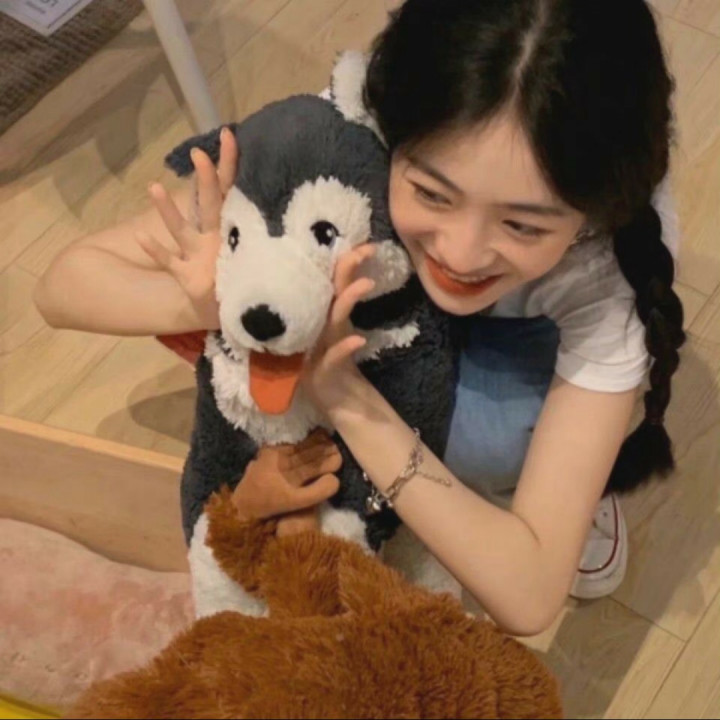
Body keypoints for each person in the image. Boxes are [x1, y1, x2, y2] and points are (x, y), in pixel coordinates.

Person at [34, 0, 684, 636]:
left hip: (515, 331)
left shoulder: (609, 266)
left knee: (482, 444)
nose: (460, 254)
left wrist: (344, 396)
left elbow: (529, 593)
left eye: (522, 224)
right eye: (432, 193)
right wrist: (226, 292)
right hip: (387, 315)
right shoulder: (355, 130)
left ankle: (573, 484)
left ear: (588, 219)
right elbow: (63, 286)